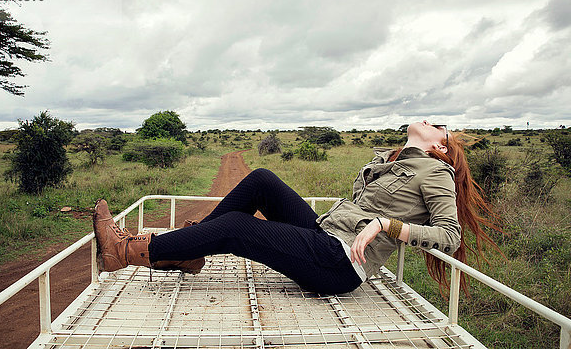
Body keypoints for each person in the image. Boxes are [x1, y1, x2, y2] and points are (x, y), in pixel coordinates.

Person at [92, 121, 501, 295]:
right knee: (262, 179)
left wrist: (385, 224)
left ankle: (125, 253)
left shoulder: (435, 174)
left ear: (439, 146)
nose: (428, 120)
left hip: (339, 265)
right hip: (324, 236)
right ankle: (187, 252)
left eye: (437, 125)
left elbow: (449, 237)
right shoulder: (391, 162)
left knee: (237, 226)